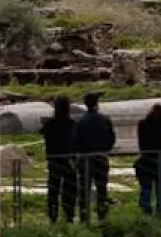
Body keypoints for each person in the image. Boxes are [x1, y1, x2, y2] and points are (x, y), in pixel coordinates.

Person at [71, 92, 116, 221]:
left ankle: (84, 216)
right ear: (97, 104)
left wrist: (75, 157)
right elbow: (112, 137)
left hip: (85, 158)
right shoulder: (105, 119)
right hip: (101, 157)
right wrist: (106, 150)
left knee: (84, 188)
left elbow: (75, 141)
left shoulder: (81, 121)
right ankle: (102, 215)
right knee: (102, 187)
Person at [40, 95, 78, 223]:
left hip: (54, 160)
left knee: (53, 189)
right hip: (68, 161)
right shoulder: (72, 124)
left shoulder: (50, 124)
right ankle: (69, 214)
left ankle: (53, 215)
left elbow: (45, 136)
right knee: (70, 189)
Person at [135, 103, 161, 217]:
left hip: (146, 157)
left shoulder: (142, 123)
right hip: (160, 157)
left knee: (146, 188)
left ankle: (145, 213)